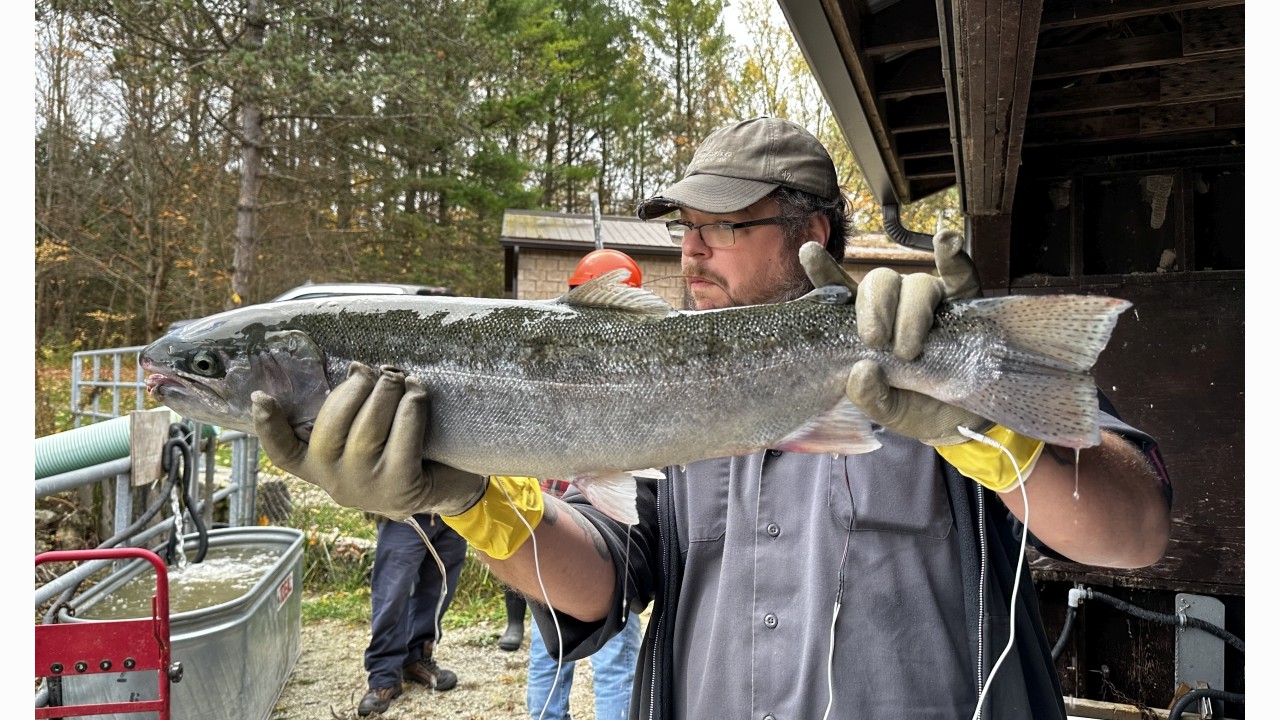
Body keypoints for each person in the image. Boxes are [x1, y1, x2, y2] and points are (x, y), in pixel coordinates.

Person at [251, 117, 1173, 720]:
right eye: (684, 222)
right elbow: (604, 588)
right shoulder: (654, 392)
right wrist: (468, 504)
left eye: (725, 224)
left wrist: (990, 425)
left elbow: (1133, 534)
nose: (688, 248)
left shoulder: (930, 351)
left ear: (811, 236)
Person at [356, 512, 467, 716]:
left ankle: (416, 659)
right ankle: (383, 677)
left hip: (455, 506)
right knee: (391, 594)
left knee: (439, 588)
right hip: (404, 508)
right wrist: (372, 496)